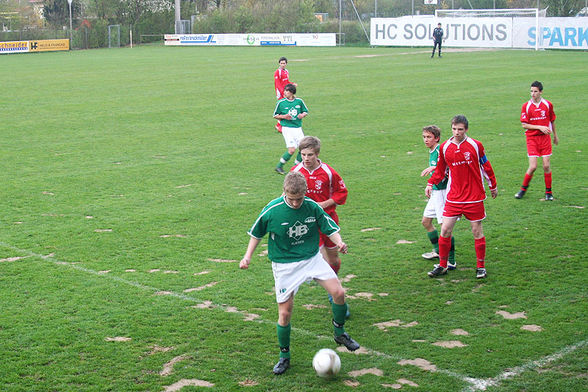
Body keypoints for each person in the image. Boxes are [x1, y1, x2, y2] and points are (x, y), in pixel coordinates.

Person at [240, 172, 360, 375]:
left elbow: (329, 227)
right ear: (284, 192)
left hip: (312, 259)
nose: (296, 203)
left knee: (338, 293)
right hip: (285, 265)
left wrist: (339, 241)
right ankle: (284, 356)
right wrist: (247, 256)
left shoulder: (311, 206)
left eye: (299, 199)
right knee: (285, 314)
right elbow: (256, 233)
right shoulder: (273, 209)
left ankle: (340, 333)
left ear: (305, 193)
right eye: (291, 199)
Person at [425, 115, 497, 279]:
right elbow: (441, 170)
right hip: (454, 197)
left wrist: (493, 185)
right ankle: (443, 265)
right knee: (445, 229)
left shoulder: (475, 145)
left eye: (460, 129)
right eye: (454, 129)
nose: (457, 132)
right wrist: (430, 183)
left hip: (474, 196)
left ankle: (481, 267)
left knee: (476, 231)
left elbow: (486, 166)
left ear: (466, 130)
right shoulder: (444, 147)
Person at [420, 125, 456, 270]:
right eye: (424, 137)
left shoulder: (440, 150)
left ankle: (451, 261)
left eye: (429, 137)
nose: (426, 140)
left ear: (437, 138)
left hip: (441, 192)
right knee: (426, 222)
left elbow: (446, 166)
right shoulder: (432, 151)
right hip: (435, 192)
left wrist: (433, 169)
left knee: (445, 228)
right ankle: (437, 250)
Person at [515, 81, 558, 201]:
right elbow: (524, 125)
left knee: (546, 165)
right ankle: (522, 190)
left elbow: (552, 120)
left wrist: (555, 135)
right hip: (532, 139)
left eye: (535, 91)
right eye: (531, 91)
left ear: (541, 92)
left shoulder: (548, 105)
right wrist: (539, 127)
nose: (532, 94)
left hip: (545, 139)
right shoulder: (526, 106)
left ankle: (548, 192)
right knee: (533, 166)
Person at [273, 84, 308, 175]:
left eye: (287, 91)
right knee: (292, 150)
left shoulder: (299, 101)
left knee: (303, 148)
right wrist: (284, 116)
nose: (284, 92)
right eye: (284, 90)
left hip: (297, 128)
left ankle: (295, 168)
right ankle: (279, 166)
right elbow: (275, 115)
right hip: (287, 129)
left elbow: (305, 111)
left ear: (292, 92)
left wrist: (302, 115)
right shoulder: (281, 103)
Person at [274, 57, 297, 133]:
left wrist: (292, 84)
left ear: (286, 64)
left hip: (286, 92)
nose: (283, 65)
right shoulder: (278, 72)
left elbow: (286, 81)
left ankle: (280, 124)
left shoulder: (286, 71)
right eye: (281, 63)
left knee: (286, 107)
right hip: (281, 93)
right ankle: (279, 125)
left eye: (284, 63)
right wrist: (283, 92)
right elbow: (278, 83)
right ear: (279, 63)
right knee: (282, 108)